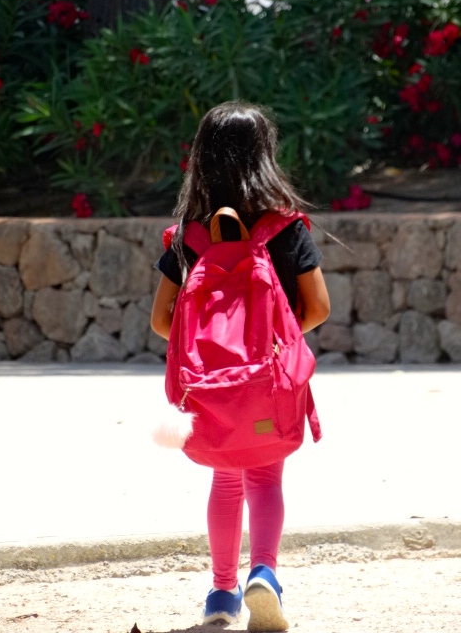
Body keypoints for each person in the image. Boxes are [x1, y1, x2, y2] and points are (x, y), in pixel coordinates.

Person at [151, 100, 330, 632]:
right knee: (265, 476)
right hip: (270, 386)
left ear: (201, 159)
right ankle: (265, 573)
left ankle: (222, 593)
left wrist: (208, 354)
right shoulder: (285, 230)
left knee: (225, 481)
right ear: (265, 156)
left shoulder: (189, 237)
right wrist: (276, 345)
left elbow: (161, 320)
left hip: (211, 390)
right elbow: (319, 307)